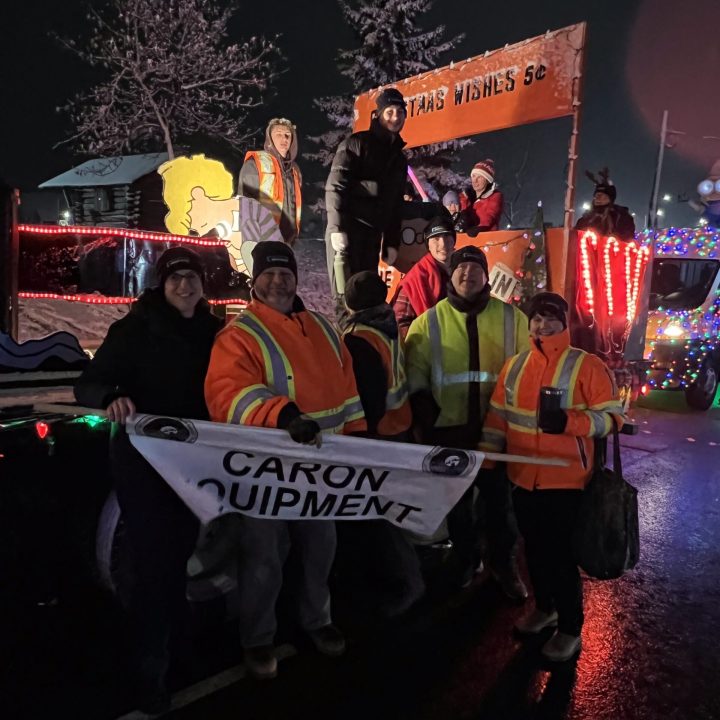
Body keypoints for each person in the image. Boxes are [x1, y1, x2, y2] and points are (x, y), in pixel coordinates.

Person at [204, 242, 366, 680]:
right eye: (269, 274)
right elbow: (226, 395)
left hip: (321, 467)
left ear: (296, 279)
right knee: (263, 558)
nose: (278, 282)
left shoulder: (325, 328)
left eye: (286, 274)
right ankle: (258, 639)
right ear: (255, 280)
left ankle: (317, 620)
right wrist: (282, 413)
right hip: (267, 472)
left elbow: (347, 392)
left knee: (320, 549)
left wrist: (357, 442)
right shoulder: (239, 334)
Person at [74, 247, 223, 714]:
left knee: (177, 555)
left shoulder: (214, 332)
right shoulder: (134, 329)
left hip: (192, 466)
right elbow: (91, 381)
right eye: (176, 278)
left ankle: (178, 648)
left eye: (192, 278)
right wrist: (112, 396)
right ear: (161, 284)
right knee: (154, 564)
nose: (185, 285)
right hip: (145, 464)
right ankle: (149, 672)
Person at [480, 292, 624, 662]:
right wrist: (487, 458)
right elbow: (498, 417)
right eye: (537, 319)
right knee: (534, 552)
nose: (543, 326)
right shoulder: (514, 366)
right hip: (523, 479)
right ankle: (546, 609)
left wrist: (569, 423)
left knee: (560, 556)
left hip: (567, 482)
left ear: (564, 323)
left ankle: (570, 628)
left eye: (551, 318)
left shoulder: (587, 366)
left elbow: (611, 418)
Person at [405, 246, 529, 597]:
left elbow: (526, 371)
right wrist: (424, 411)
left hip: (497, 432)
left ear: (486, 276)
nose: (468, 275)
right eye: (462, 269)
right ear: (451, 274)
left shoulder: (512, 318)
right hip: (450, 431)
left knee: (501, 509)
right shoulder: (428, 322)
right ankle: (466, 562)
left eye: (476, 269)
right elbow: (415, 373)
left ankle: (504, 567)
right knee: (457, 509)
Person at [338, 271, 425, 616]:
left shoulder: (359, 337)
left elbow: (368, 396)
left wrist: (361, 437)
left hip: (379, 435)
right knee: (390, 512)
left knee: (381, 517)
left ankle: (407, 584)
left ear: (349, 303)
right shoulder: (388, 326)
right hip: (399, 427)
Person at [325, 87, 409, 301]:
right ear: (379, 114)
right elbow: (336, 186)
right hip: (347, 234)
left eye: (400, 112)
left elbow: (395, 204)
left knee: (365, 299)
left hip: (372, 238)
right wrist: (336, 228)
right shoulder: (356, 144)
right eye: (390, 112)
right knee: (345, 298)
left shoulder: (399, 160)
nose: (395, 117)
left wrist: (391, 242)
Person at [240, 118, 302, 245]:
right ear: (270, 138)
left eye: (287, 135)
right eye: (278, 134)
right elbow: (245, 203)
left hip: (288, 240)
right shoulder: (255, 163)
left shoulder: (294, 170)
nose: (284, 139)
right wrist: (250, 239)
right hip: (262, 238)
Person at [392, 215, 455, 338]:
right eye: (436, 238)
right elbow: (400, 323)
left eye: (447, 236)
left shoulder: (465, 270)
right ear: (428, 245)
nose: (442, 244)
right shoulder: (415, 279)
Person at [575, 169, 635, 242]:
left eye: (603, 196)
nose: (598, 199)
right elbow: (576, 233)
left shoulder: (620, 216)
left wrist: (616, 237)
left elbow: (628, 234)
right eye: (597, 196)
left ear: (610, 199)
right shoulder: (586, 218)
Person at [460, 159, 504, 232]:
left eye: (479, 177)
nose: (475, 180)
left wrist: (479, 228)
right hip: (465, 238)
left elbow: (490, 216)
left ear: (487, 180)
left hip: (485, 239)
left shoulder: (495, 197)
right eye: (473, 176)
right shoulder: (464, 197)